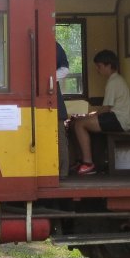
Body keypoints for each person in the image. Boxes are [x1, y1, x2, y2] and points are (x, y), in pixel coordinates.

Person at [72, 49, 130, 176]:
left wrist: (90, 116)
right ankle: (92, 162)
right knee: (83, 123)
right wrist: (91, 116)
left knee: (79, 124)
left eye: (99, 66)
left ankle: (88, 163)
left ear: (109, 66)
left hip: (118, 120)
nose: (97, 69)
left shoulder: (113, 82)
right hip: (121, 119)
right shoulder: (117, 80)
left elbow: (106, 108)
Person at [56, 42, 70, 179]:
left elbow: (65, 69)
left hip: (54, 101)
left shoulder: (54, 45)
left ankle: (63, 172)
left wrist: (47, 77)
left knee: (59, 137)